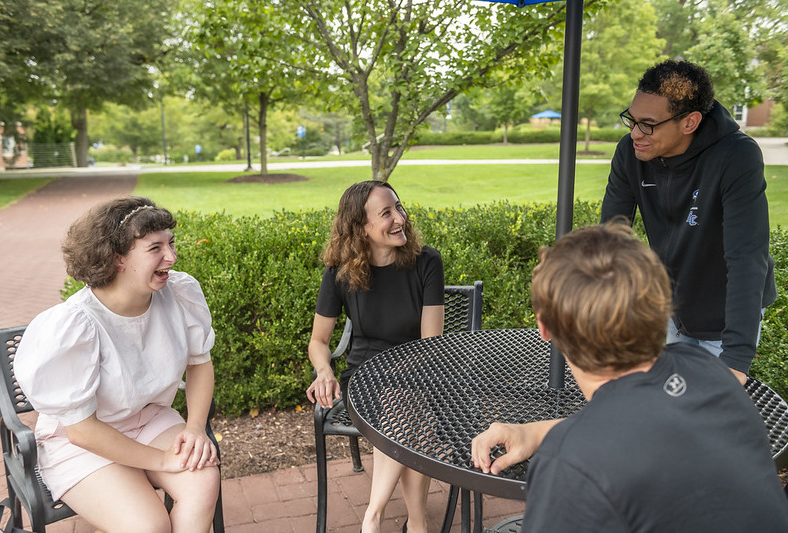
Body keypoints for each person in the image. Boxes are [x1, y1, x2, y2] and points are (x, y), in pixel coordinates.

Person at [471, 222, 788, 532]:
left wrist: (556, 443)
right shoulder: (709, 373)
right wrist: (536, 433)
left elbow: (620, 437)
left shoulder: (571, 465)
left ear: (543, 325)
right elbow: (641, 426)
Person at [15, 196, 220, 533]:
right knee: (148, 525)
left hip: (149, 420)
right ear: (117, 258)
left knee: (202, 482)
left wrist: (195, 427)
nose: (172, 256)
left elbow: (199, 364)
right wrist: (162, 461)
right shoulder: (76, 326)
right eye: (155, 248)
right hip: (81, 442)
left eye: (171, 243)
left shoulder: (180, 294)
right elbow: (81, 430)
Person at [601, 59, 776, 384]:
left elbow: (746, 258)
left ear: (689, 122)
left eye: (648, 124)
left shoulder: (736, 157)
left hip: (723, 313)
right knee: (659, 401)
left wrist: (736, 358)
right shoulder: (630, 152)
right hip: (667, 304)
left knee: (703, 413)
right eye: (631, 119)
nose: (635, 133)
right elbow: (611, 237)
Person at [306, 180, 445, 533]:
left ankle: (374, 515)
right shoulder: (340, 272)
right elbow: (319, 341)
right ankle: (416, 523)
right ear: (360, 228)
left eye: (399, 207)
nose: (400, 218)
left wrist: (402, 374)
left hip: (420, 370)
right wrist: (324, 371)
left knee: (407, 404)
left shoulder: (426, 262)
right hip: (364, 379)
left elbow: (432, 345)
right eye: (386, 213)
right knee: (413, 418)